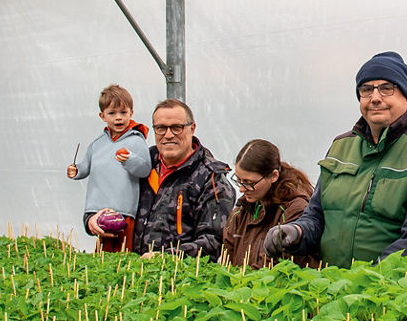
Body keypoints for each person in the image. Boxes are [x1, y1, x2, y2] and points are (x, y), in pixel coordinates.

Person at [264, 51, 407, 268]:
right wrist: (298, 231)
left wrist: (362, 287)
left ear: (406, 96)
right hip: (336, 292)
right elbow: (317, 215)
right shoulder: (341, 147)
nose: (375, 98)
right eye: (366, 90)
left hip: (397, 295)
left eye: (387, 88)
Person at [87, 98, 235, 258]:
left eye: (177, 128)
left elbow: (213, 241)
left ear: (192, 128)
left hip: (180, 279)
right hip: (128, 274)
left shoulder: (210, 178)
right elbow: (105, 192)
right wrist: (92, 218)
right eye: (161, 128)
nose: (168, 135)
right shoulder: (138, 161)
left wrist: (165, 258)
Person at [67, 84, 152, 252]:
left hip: (124, 211)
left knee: (123, 255)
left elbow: (145, 169)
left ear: (131, 113)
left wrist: (130, 159)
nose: (118, 118)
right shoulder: (97, 144)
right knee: (103, 257)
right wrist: (76, 171)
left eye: (123, 112)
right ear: (102, 116)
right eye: (112, 113)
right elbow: (86, 167)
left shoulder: (136, 141)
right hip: (99, 212)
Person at [221, 139, 317, 268]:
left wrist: (243, 284)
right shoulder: (241, 211)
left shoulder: (295, 209)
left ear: (273, 176)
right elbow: (226, 261)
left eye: (249, 183)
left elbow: (280, 267)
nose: (241, 189)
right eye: (239, 180)